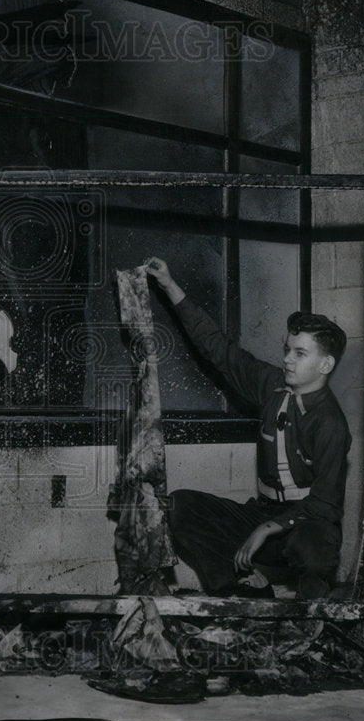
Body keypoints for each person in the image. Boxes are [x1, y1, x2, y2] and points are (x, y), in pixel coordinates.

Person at [144, 257, 350, 600]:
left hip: (302, 524)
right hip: (261, 513)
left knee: (317, 548)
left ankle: (315, 612)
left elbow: (325, 506)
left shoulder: (331, 423)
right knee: (180, 507)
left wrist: (270, 529)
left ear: (325, 364)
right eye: (287, 350)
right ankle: (240, 593)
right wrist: (168, 285)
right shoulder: (271, 384)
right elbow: (218, 349)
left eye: (300, 354)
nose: (287, 359)